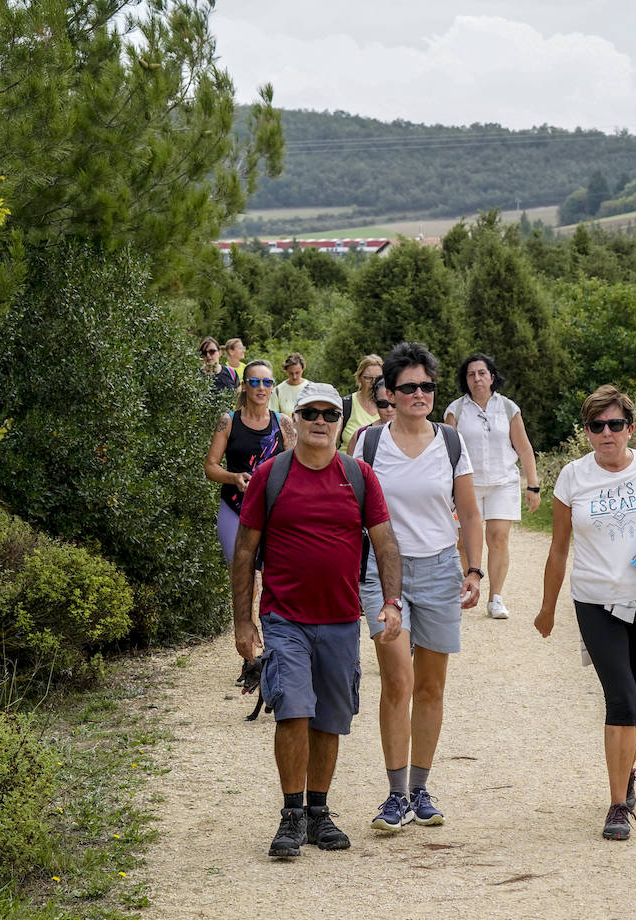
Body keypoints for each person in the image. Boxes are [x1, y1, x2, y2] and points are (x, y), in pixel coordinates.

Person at [231, 382, 404, 859]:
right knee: (292, 710)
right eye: (312, 414)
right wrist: (243, 622)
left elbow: (386, 543)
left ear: (339, 421)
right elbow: (244, 551)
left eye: (330, 414)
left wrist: (392, 601)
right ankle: (290, 815)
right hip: (284, 616)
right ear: (297, 420)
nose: (321, 422)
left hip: (342, 618)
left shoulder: (359, 475)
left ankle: (318, 813)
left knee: (330, 717)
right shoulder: (271, 475)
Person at [534, 385, 636, 841]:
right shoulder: (572, 478)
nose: (606, 433)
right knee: (621, 697)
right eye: (596, 426)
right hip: (595, 600)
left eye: (615, 424)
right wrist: (547, 608)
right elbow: (559, 550)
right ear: (586, 432)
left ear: (630, 428)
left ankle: (628, 770)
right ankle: (618, 803)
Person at [355, 342, 483, 832]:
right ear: (388, 392)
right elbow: (351, 516)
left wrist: (473, 570)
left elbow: (469, 513)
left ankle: (420, 789)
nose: (419, 394)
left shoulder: (451, 442)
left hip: (439, 571)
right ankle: (394, 795)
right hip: (384, 573)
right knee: (398, 681)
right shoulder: (368, 444)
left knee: (431, 686)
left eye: (427, 386)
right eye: (408, 387)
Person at [444, 353, 541, 620]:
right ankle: (468, 588)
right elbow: (447, 453)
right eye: (471, 374)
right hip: (467, 485)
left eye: (482, 373)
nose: (477, 378)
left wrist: (533, 486)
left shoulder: (509, 408)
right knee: (463, 542)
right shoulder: (456, 411)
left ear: (492, 377)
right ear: (466, 380)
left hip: (503, 482)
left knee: (498, 537)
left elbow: (523, 448)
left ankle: (495, 598)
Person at [204, 359, 296, 566]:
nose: (261, 388)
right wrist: (234, 477)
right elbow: (210, 466)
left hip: (274, 509)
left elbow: (296, 467)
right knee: (241, 574)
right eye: (254, 382)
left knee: (276, 575)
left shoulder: (283, 423)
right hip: (235, 507)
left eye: (267, 382)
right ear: (244, 386)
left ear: (272, 387)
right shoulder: (228, 421)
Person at [341, 354, 383, 451]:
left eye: (378, 379)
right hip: (348, 464)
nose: (373, 383)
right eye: (368, 378)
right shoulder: (346, 405)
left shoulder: (391, 407)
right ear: (359, 378)